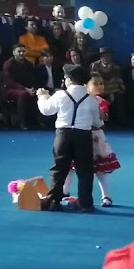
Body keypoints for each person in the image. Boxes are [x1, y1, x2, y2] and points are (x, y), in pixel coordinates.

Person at [37, 67, 102, 212]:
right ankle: (85, 203)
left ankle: (54, 200)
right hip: (83, 135)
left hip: (63, 135)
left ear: (69, 79)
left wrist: (42, 96)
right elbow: (97, 122)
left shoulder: (61, 95)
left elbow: (46, 110)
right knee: (85, 170)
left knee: (59, 168)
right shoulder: (92, 99)